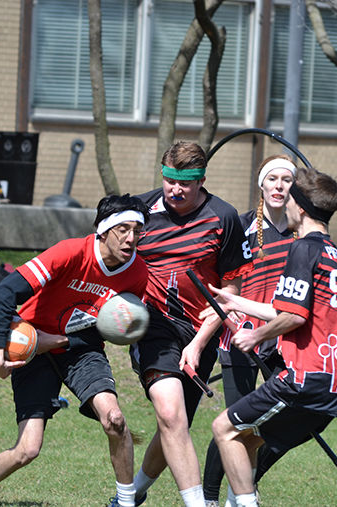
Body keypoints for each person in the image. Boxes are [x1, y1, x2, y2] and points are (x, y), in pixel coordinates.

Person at [0, 194, 150, 507]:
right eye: (123, 229)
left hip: (81, 350)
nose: (131, 238)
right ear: (104, 230)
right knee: (27, 450)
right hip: (31, 348)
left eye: (138, 230)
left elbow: (113, 323)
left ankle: (125, 503)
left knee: (115, 420)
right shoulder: (70, 252)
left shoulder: (136, 272)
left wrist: (74, 339)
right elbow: (4, 294)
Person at [211, 167, 337, 507]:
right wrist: (236, 301)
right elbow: (290, 308)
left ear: (300, 208)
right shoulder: (334, 254)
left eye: (289, 198)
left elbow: (294, 316)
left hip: (303, 378)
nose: (283, 203)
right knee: (247, 440)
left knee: (223, 429)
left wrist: (254, 335)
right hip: (335, 387)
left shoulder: (302, 249)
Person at [125, 141, 252, 507]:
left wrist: (197, 344)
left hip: (203, 331)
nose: (175, 191)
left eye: (184, 184)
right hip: (152, 325)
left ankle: (132, 494)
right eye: (169, 181)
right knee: (170, 413)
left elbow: (229, 291)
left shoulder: (223, 217)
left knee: (174, 424)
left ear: (201, 181)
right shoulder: (140, 210)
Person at [202, 155, 296, 505]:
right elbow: (225, 283)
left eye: (286, 180)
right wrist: (231, 316)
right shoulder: (240, 227)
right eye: (273, 179)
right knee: (236, 422)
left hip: (284, 339)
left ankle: (242, 489)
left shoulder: (300, 231)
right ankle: (210, 498)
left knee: (279, 425)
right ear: (261, 185)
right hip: (240, 337)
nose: (279, 186)